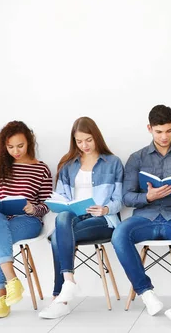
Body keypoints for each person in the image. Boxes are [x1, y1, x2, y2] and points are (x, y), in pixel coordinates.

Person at [111, 105, 171, 326]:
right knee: (119, 234)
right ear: (149, 129)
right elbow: (126, 197)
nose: (164, 137)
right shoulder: (137, 158)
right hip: (145, 217)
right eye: (159, 131)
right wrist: (149, 197)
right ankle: (146, 293)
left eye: (168, 131)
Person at [38, 117, 124, 319]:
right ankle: (68, 281)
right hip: (75, 218)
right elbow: (61, 198)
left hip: (103, 221)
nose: (84, 145)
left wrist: (105, 209)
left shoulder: (113, 163)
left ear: (97, 137)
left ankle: (60, 296)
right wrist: (62, 204)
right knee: (63, 218)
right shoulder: (68, 165)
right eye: (79, 141)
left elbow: (120, 200)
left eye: (88, 140)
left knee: (59, 236)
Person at [0, 121, 52, 318]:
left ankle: (1, 297)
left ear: (29, 143)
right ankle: (12, 280)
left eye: (20, 145)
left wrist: (33, 208)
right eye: (10, 147)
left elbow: (48, 204)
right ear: (4, 146)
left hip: (27, 221)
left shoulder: (41, 169)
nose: (15, 151)